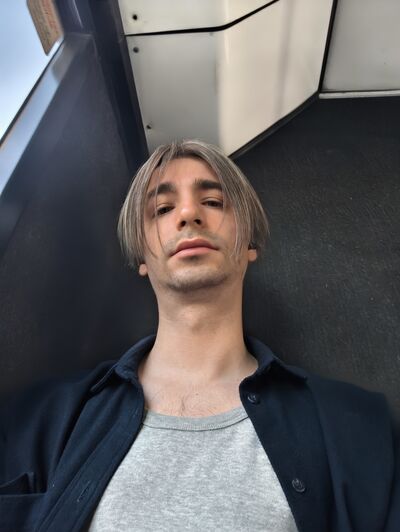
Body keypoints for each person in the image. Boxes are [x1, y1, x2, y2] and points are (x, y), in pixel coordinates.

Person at [0, 140, 398, 532]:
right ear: (141, 256)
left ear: (249, 243)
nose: (189, 213)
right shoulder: (37, 421)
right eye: (162, 208)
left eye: (213, 202)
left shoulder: (358, 429)